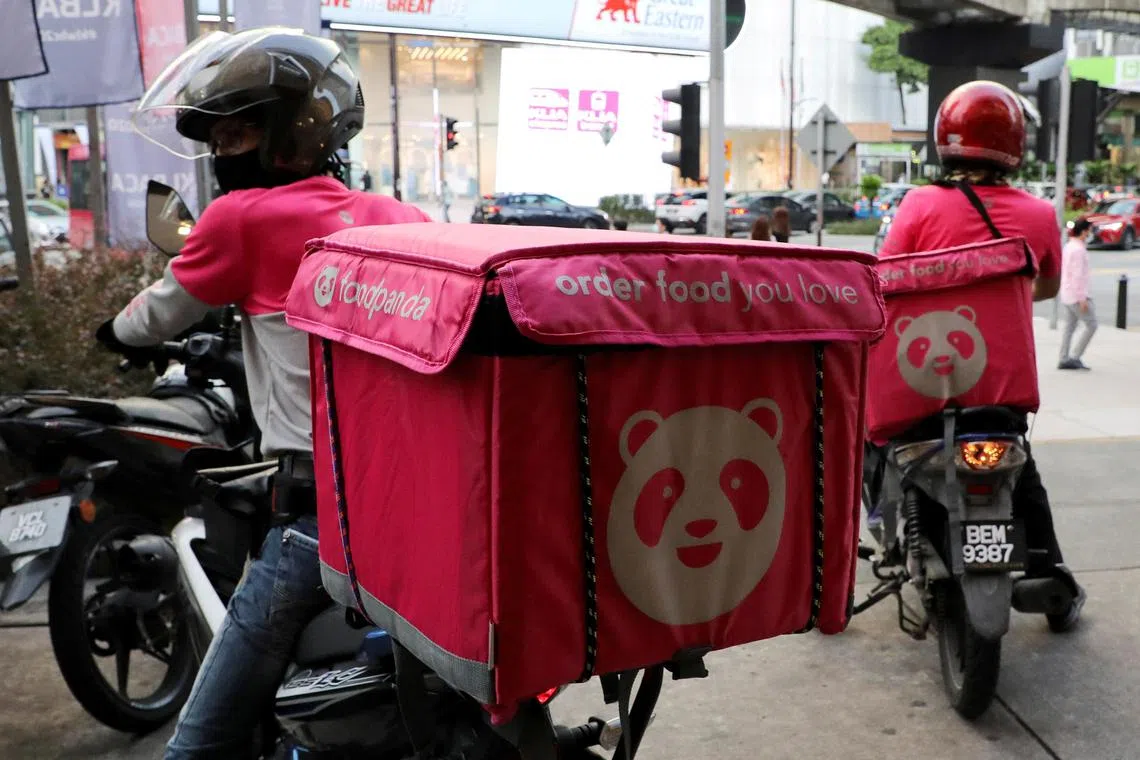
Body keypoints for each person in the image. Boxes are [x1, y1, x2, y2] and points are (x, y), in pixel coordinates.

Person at [95, 28, 432, 758]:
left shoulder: (240, 220)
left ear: (296, 131)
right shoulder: (401, 220)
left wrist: (112, 335)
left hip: (321, 525)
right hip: (419, 513)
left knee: (197, 743)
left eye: (240, 130)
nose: (223, 150)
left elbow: (155, 315)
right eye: (217, 135)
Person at [877, 79, 1085, 631]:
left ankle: (887, 534)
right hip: (1000, 396)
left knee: (877, 445)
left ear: (945, 139)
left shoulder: (920, 204)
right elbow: (1043, 287)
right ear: (1015, 145)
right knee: (1024, 472)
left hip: (919, 391)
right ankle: (1053, 571)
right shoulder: (1040, 214)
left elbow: (886, 283)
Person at [1059, 218, 1097, 370]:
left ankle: (1064, 357)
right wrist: (1082, 298)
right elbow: (1077, 276)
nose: (1090, 233)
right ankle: (1075, 356)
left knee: (1069, 327)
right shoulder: (1078, 250)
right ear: (1084, 231)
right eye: (1089, 230)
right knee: (1091, 325)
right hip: (1076, 296)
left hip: (1067, 294)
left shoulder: (1069, 246)